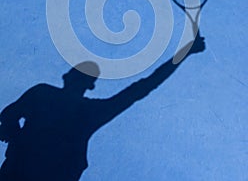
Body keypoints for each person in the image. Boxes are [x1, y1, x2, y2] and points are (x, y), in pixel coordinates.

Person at [0, 35, 205, 180]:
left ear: (67, 76)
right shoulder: (85, 110)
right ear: (89, 84)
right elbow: (143, 87)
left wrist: (15, 136)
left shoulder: (44, 94)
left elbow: (8, 116)